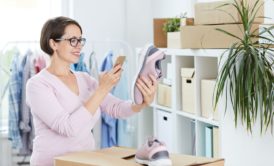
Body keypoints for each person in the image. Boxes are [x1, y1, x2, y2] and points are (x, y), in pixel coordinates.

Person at [26, 16, 157, 166]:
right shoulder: (37, 85)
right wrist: (102, 89)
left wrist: (141, 103)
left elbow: (117, 108)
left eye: (80, 40)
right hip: (51, 163)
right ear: (53, 43)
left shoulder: (85, 79)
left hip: (85, 161)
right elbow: (68, 128)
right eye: (72, 40)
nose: (79, 46)